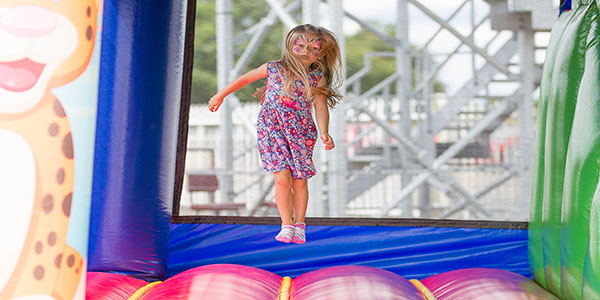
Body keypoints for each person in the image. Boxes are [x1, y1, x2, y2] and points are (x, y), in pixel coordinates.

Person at [208, 24, 343, 244]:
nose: (305, 51)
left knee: (299, 181)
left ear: (322, 54)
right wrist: (220, 95)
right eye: (300, 46)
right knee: (282, 178)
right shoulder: (273, 68)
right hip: (272, 128)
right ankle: (286, 224)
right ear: (291, 46)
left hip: (300, 131)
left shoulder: (316, 78)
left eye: (313, 49)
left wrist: (325, 132)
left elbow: (320, 106)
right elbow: (244, 79)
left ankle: (300, 224)